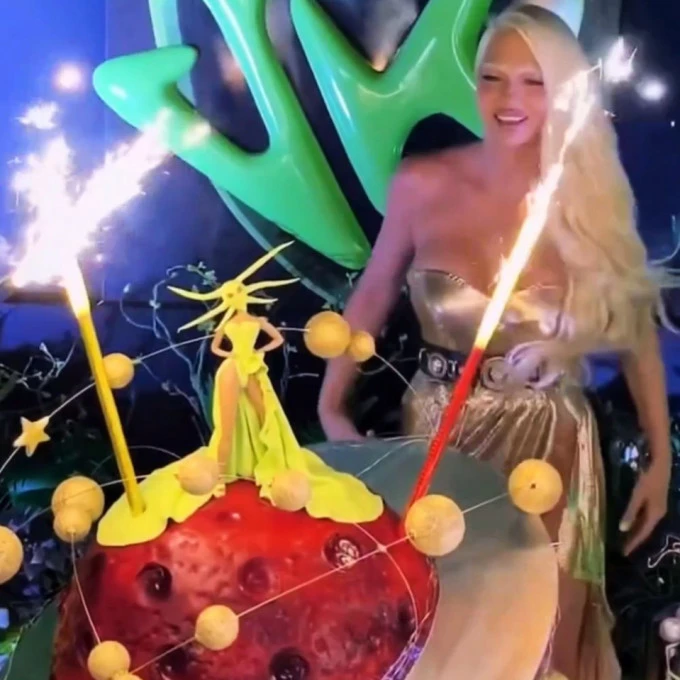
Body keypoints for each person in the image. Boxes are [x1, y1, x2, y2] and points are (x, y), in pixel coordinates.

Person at [318, 4, 672, 679]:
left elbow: (635, 334)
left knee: (538, 640)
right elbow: (372, 293)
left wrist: (659, 458)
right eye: (493, 77)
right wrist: (333, 410)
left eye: (535, 82)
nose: (510, 99)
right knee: (438, 629)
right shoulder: (421, 184)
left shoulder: (589, 199)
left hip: (550, 445)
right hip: (436, 432)